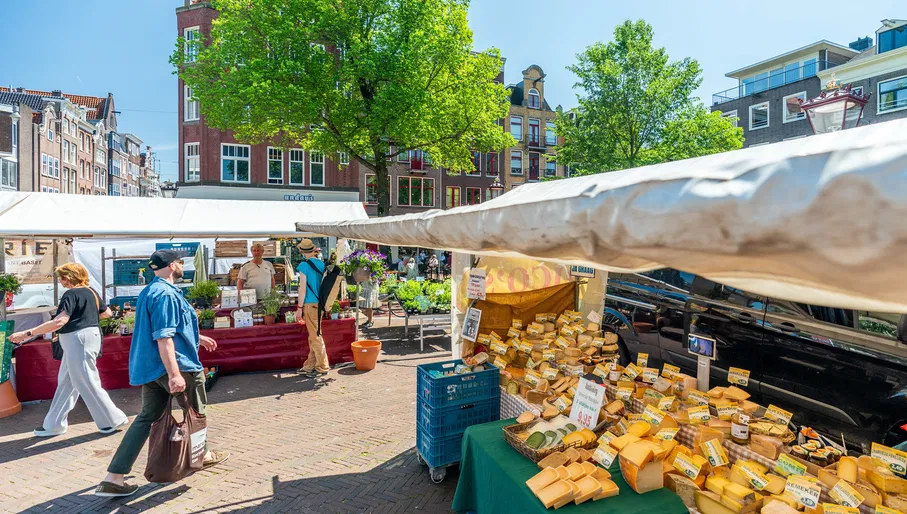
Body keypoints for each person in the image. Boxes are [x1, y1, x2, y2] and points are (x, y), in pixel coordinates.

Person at [95, 250, 229, 498]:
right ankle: (203, 455)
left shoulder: (150, 291)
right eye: (178, 262)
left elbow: (167, 330)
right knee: (196, 413)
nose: (181, 265)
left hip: (151, 368)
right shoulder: (166, 294)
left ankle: (114, 477)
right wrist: (175, 374)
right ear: (170, 266)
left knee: (147, 418)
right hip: (176, 367)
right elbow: (164, 336)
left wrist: (196, 338)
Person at [9, 263, 128, 437]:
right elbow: (107, 313)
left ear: (70, 277)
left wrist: (27, 333)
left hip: (76, 338)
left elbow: (59, 322)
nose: (61, 281)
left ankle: (112, 419)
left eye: (62, 277)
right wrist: (85, 316)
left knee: (86, 380)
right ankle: (53, 424)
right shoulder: (91, 292)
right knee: (68, 381)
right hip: (89, 336)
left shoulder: (71, 294)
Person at [295, 239, 330, 378]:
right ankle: (309, 366)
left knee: (315, 336)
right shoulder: (321, 264)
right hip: (319, 304)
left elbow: (302, 289)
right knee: (313, 335)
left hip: (309, 304)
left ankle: (322, 367)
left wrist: (299, 308)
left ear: (302, 251)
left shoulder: (303, 265)